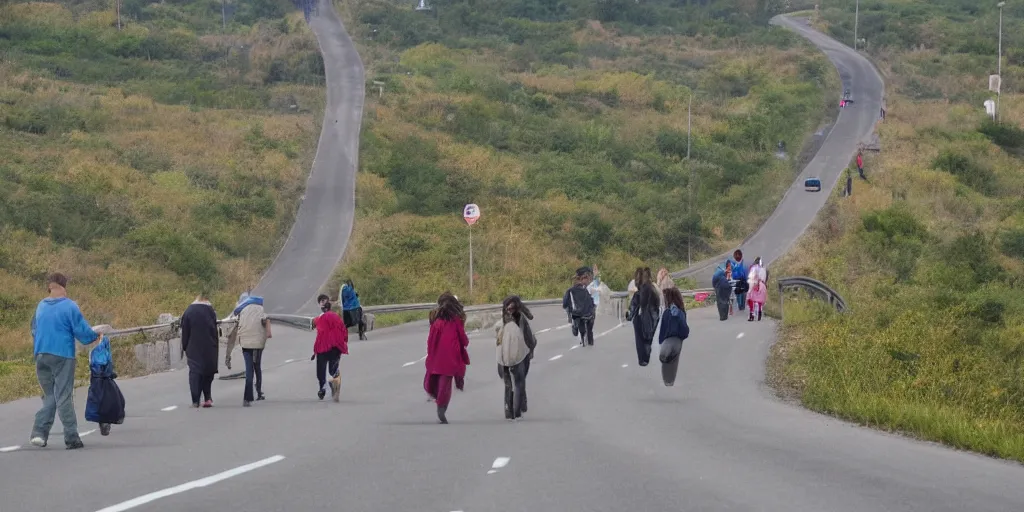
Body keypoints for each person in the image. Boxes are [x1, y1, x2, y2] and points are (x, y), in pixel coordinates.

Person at [30, 273, 109, 449]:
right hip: (62, 354)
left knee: (50, 395)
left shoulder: (40, 306)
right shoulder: (69, 306)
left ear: (49, 287)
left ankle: (39, 433)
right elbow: (81, 330)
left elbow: (34, 330)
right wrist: (94, 337)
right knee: (64, 396)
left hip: (41, 354)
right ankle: (72, 437)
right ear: (64, 286)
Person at [424, 292, 470, 424]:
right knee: (445, 385)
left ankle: (436, 397)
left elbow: (431, 340)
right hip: (451, 357)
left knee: (433, 378)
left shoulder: (437, 322)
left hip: (437, 356)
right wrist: (465, 343)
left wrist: (431, 354)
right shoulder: (456, 321)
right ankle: (441, 406)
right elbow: (462, 338)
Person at [497, 296, 536, 420]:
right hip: (521, 356)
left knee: (508, 384)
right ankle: (518, 410)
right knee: (519, 382)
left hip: (504, 358)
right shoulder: (522, 320)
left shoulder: (501, 323)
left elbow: (498, 343)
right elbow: (529, 339)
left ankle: (509, 412)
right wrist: (531, 349)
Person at [231, 292, 271, 406]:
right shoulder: (260, 308)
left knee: (249, 369)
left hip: (246, 343)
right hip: (258, 343)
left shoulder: (241, 310)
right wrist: (268, 332)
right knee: (257, 366)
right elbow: (266, 320)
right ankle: (259, 392)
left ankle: (247, 398)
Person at [181, 290, 219, 408]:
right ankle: (207, 397)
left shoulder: (188, 311)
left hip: (193, 347)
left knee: (195, 373)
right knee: (208, 372)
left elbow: (185, 332)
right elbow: (214, 331)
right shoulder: (210, 311)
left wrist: (185, 346)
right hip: (209, 347)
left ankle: (195, 400)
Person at [85, 336, 125, 437]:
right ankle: (106, 421)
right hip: (103, 380)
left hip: (96, 380)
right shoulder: (102, 350)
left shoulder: (95, 351)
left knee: (98, 402)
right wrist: (109, 373)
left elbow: (96, 367)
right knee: (108, 401)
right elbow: (103, 367)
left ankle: (103, 422)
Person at [311, 294, 347, 402]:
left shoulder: (320, 318)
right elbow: (344, 332)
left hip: (323, 348)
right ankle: (335, 381)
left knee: (321, 371)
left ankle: (324, 387)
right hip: (335, 347)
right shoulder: (336, 317)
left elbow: (319, 331)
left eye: (324, 301)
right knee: (332, 369)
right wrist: (343, 344)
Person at [627, 267, 660, 366]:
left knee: (640, 340)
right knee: (648, 338)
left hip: (640, 318)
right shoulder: (654, 291)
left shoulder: (638, 294)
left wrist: (629, 316)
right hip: (653, 317)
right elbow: (658, 305)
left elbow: (632, 308)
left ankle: (642, 359)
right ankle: (647, 356)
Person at [658, 288, 690, 387]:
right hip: (678, 340)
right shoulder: (681, 312)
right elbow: (684, 327)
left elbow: (663, 328)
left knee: (665, 359)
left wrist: (661, 340)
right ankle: (671, 380)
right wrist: (683, 336)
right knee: (674, 359)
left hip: (667, 339)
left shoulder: (667, 312)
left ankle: (666, 380)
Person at [563, 271, 595, 346]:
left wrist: (567, 309)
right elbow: (591, 301)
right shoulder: (585, 290)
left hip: (577, 313)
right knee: (589, 323)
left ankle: (576, 327)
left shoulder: (570, 290)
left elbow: (565, 303)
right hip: (588, 313)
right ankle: (590, 340)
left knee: (577, 318)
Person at [746, 257, 768, 322]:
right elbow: (765, 278)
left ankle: (752, 315)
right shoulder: (764, 269)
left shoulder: (753, 269)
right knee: (760, 301)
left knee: (751, 300)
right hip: (763, 285)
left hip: (754, 284)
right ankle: (759, 315)